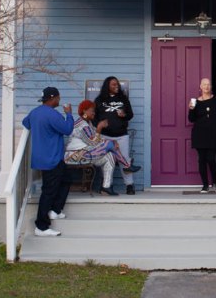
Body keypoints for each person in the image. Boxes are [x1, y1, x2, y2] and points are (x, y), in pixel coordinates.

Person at [22, 86, 74, 237]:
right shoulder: (53, 115)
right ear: (53, 98)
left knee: (66, 180)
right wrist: (69, 114)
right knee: (48, 192)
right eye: (58, 97)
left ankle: (55, 211)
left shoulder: (35, 112)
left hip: (41, 158)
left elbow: (26, 123)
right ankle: (41, 226)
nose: (59, 100)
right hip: (52, 158)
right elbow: (68, 129)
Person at [65, 100, 141, 196]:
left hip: (85, 154)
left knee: (110, 156)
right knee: (109, 144)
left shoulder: (88, 123)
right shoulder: (82, 124)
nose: (94, 113)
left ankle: (106, 187)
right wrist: (99, 128)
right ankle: (127, 165)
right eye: (92, 110)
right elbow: (92, 142)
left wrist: (112, 141)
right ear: (84, 111)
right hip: (75, 155)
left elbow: (96, 140)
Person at [94, 76, 137, 195]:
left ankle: (129, 185)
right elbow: (94, 118)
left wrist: (124, 115)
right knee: (107, 160)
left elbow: (130, 115)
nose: (116, 86)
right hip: (105, 136)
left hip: (121, 135)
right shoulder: (99, 100)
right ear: (107, 86)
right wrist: (99, 125)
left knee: (125, 160)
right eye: (113, 84)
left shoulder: (123, 99)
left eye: (117, 84)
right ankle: (107, 185)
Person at [188, 78, 216, 193]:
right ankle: (205, 185)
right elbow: (191, 119)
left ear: (211, 87)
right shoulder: (195, 101)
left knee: (211, 159)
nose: (206, 86)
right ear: (200, 87)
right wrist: (191, 109)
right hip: (199, 135)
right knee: (202, 160)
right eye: (204, 84)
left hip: (214, 135)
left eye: (208, 84)